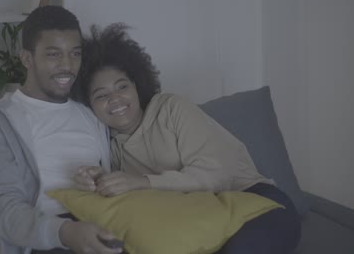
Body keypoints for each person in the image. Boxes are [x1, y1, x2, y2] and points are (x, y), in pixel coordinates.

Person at [71, 23, 301, 254]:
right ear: (90, 105)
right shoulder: (109, 145)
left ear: (137, 86)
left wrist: (142, 181)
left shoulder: (171, 108)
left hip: (255, 202)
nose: (115, 98)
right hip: (198, 218)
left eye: (122, 87)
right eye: (102, 95)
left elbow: (215, 176)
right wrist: (98, 181)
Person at [0, 6, 123, 254]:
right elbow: (1, 207)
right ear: (27, 58)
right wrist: (65, 233)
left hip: (102, 228)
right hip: (43, 242)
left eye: (75, 53)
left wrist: (99, 179)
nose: (67, 66)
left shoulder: (91, 113)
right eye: (53, 55)